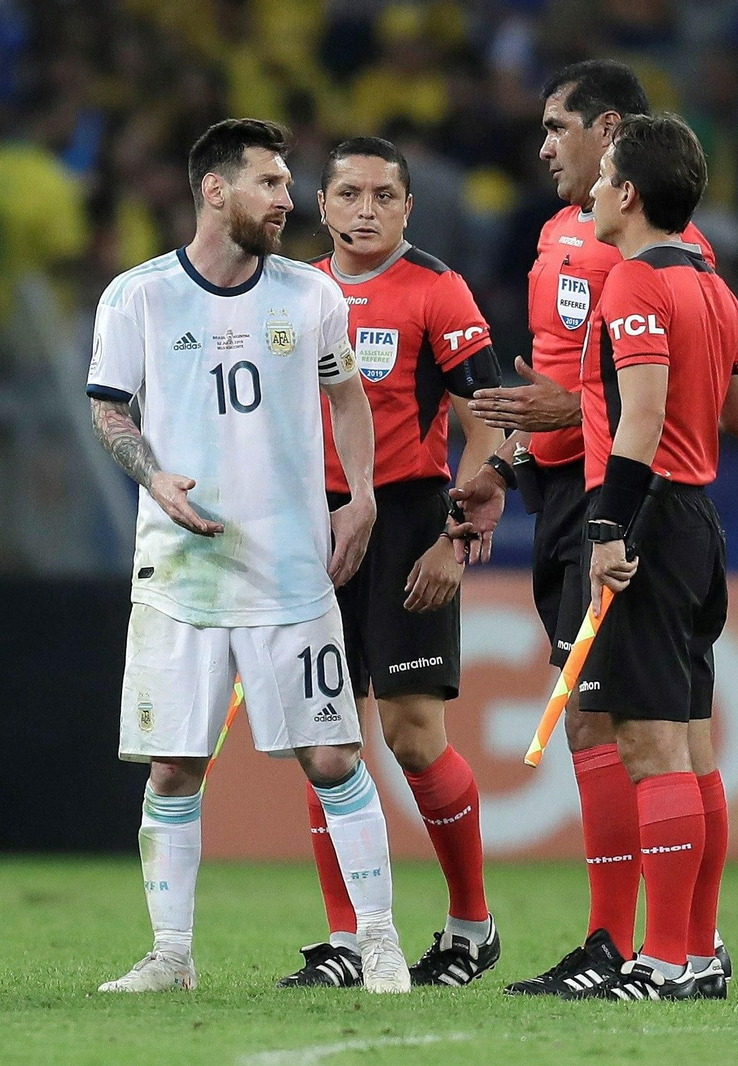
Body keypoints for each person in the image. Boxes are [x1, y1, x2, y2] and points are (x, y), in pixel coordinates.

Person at [86, 118, 409, 995]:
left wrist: (362, 494)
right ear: (214, 189)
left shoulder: (310, 296)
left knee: (333, 756)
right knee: (173, 766)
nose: (287, 199)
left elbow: (347, 394)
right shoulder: (138, 297)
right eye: (270, 182)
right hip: (179, 571)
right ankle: (171, 955)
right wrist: (155, 477)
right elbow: (110, 409)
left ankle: (378, 940)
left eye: (287, 184)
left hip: (290, 570)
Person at [457, 59, 738, 996]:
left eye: (560, 127)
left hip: (622, 502)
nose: (546, 147)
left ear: (615, 149)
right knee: (663, 734)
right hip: (613, 498)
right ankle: (678, 949)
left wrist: (606, 498)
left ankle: (650, 951)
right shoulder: (609, 246)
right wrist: (512, 459)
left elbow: (638, 407)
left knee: (636, 734)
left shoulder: (647, 265)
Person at [274, 137, 507, 990]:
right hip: (311, 525)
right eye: (349, 194)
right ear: (322, 206)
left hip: (408, 518)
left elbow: (488, 417)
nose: (365, 210)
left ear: (408, 207)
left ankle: (471, 925)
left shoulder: (438, 290)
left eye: (383, 195)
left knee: (412, 735)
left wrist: (455, 535)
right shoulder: (293, 292)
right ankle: (346, 939)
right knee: (325, 733)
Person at [565, 111, 738, 1001]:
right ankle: (698, 954)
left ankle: (664, 960)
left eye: (605, 175)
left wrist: (607, 530)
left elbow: (640, 417)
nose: (593, 191)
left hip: (646, 518)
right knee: (690, 746)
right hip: (697, 522)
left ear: (630, 193)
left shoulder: (635, 283)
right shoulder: (712, 286)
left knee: (649, 750)